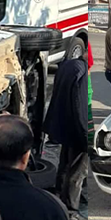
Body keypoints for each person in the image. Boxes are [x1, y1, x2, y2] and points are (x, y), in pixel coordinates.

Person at [45, 57, 88, 211]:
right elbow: (80, 105)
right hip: (78, 129)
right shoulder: (82, 73)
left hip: (65, 125)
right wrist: (85, 135)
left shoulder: (68, 65)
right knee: (78, 170)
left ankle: (59, 193)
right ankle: (70, 206)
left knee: (64, 163)